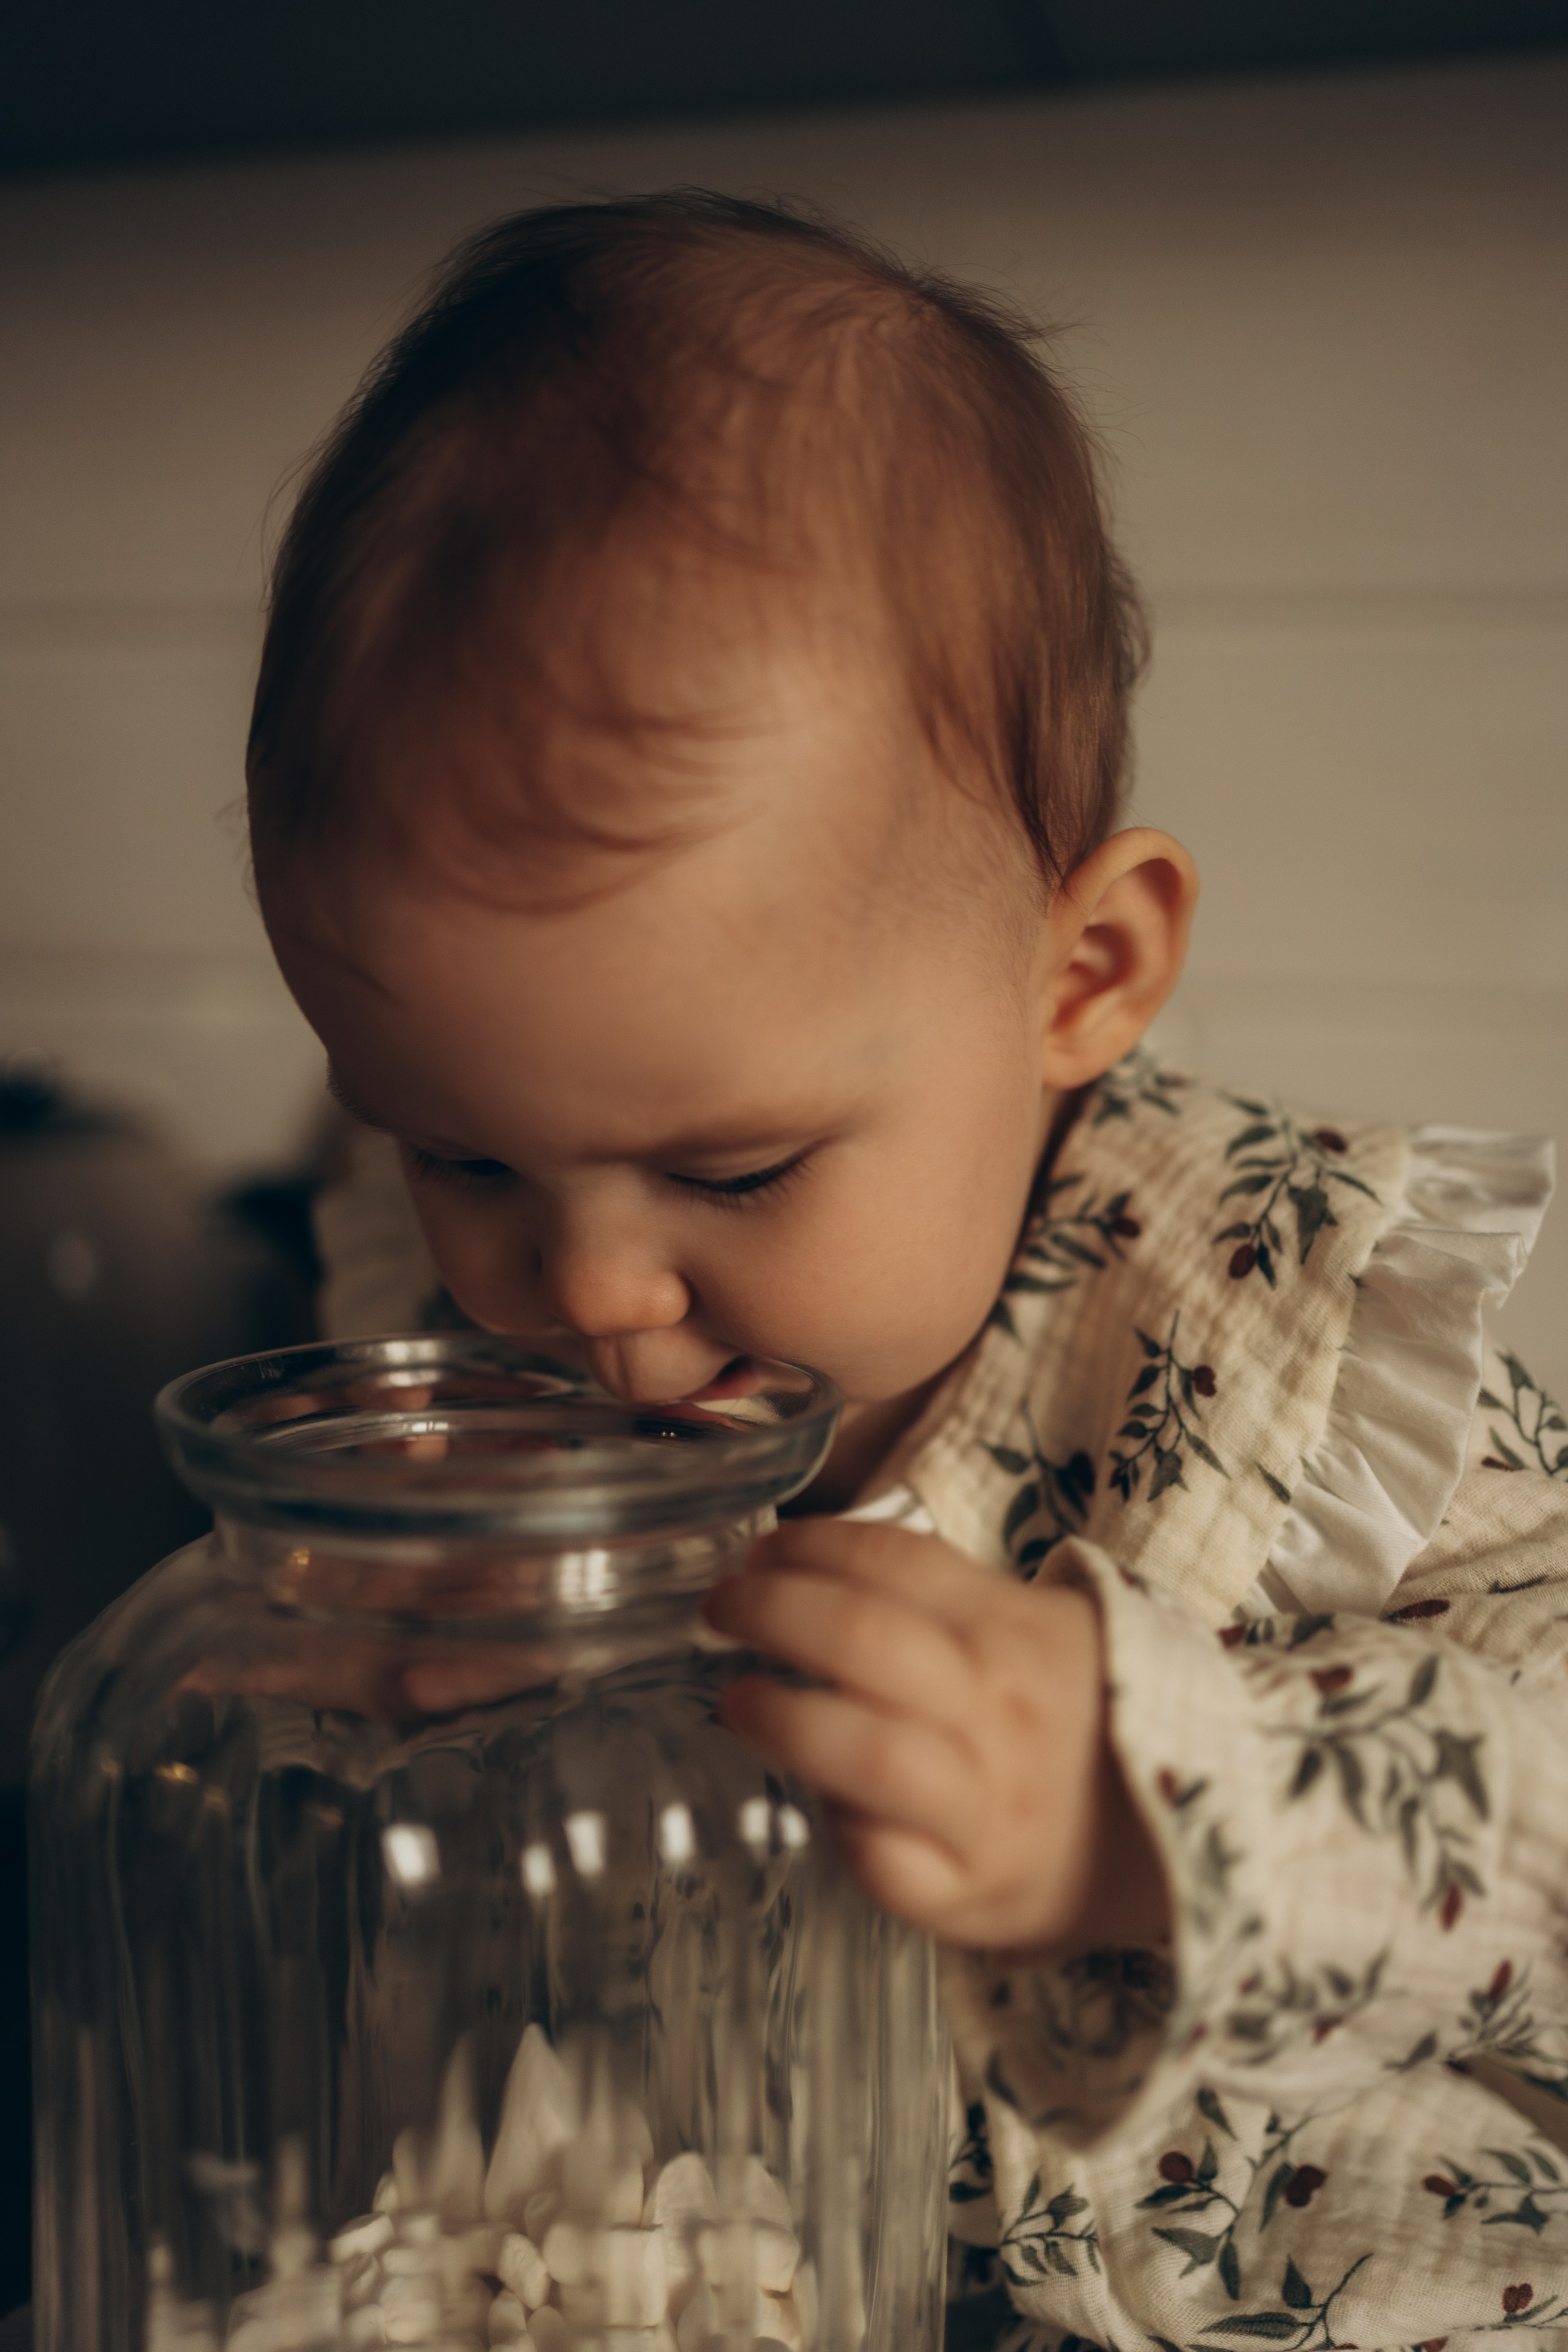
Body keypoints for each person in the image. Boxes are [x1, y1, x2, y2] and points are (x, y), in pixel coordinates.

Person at [247, 193, 1567, 2349]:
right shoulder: (461, 1353)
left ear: (1082, 974)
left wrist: (1161, 1804)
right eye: (462, 1149)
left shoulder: (1274, 1331)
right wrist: (350, 1702)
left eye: (738, 1168)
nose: (586, 1294)